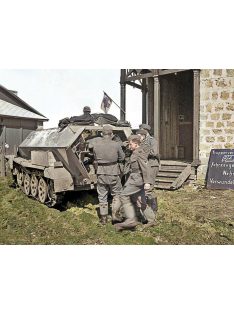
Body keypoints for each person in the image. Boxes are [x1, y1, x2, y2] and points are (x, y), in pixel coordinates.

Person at [114, 135, 151, 231]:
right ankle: (151, 220)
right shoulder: (134, 152)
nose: (129, 146)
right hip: (134, 178)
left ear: (136, 144)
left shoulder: (140, 153)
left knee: (123, 195)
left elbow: (145, 168)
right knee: (140, 200)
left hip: (137, 179)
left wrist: (147, 182)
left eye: (130, 144)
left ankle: (130, 221)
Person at [90, 125, 125, 225]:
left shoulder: (96, 145)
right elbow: (122, 157)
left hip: (101, 172)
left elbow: (95, 157)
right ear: (112, 134)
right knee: (117, 194)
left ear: (102, 134)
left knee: (102, 195)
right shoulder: (116, 144)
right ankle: (115, 216)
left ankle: (103, 218)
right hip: (113, 172)